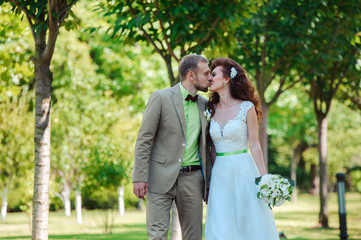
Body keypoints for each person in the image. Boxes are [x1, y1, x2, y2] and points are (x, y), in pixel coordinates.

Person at [133, 54, 212, 240]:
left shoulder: (206, 105)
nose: (210, 77)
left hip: (193, 180)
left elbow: (208, 147)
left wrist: (208, 183)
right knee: (157, 236)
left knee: (193, 237)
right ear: (191, 75)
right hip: (159, 177)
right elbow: (144, 139)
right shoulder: (160, 98)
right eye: (206, 73)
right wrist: (139, 176)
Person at [205, 57, 280, 239]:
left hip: (243, 171)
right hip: (220, 175)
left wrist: (264, 180)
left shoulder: (247, 108)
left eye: (213, 74)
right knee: (220, 226)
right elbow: (212, 149)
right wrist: (210, 180)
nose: (209, 78)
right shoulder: (209, 110)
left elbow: (255, 145)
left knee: (248, 224)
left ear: (227, 79)